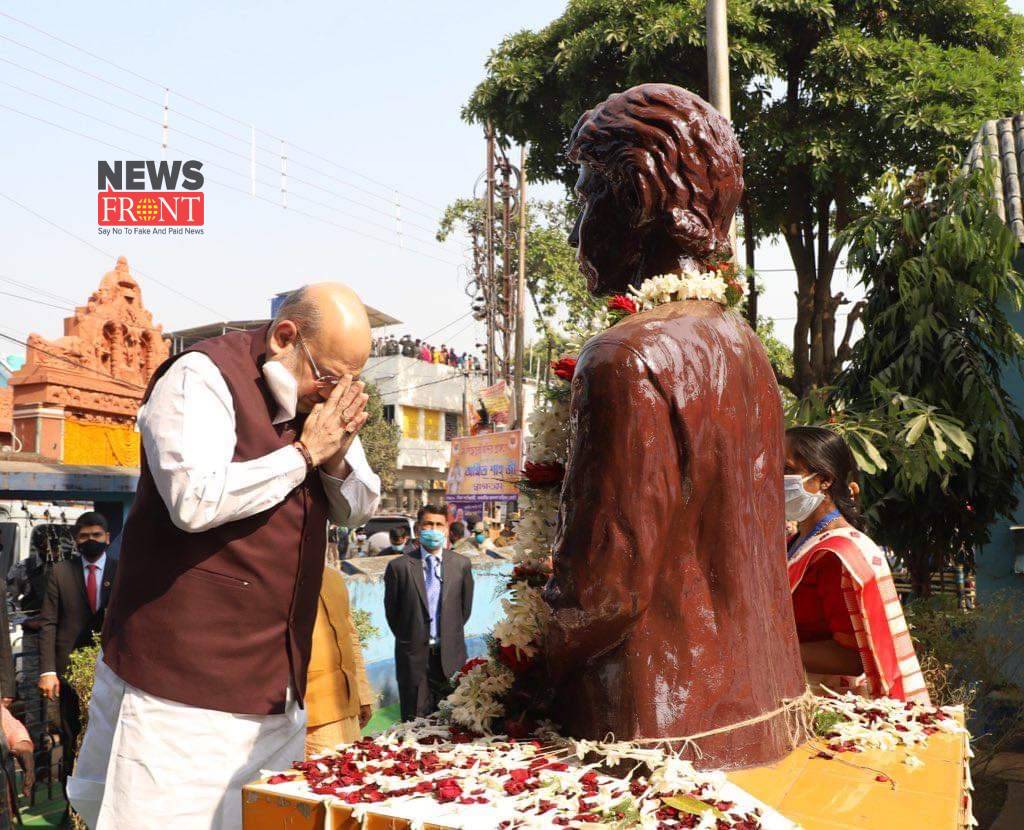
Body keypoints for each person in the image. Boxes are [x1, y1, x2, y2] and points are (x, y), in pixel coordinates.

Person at [69, 284, 381, 829]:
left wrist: (330, 458)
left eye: (352, 381)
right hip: (180, 690)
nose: (338, 393)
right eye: (330, 377)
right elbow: (195, 498)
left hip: (275, 687)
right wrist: (304, 454)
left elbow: (357, 507)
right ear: (286, 338)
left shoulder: (320, 406)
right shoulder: (202, 376)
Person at [785, 426, 930, 704]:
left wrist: (763, 651)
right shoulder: (796, 542)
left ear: (824, 479)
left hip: (830, 707)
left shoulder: (835, 555)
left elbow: (852, 657)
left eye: (786, 469)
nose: (775, 478)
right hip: (798, 697)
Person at [37, 512, 118, 782]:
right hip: (69, 671)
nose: (90, 541)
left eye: (96, 535)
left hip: (112, 670)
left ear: (107, 537)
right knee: (72, 736)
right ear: (75, 540)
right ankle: (72, 807)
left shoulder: (121, 571)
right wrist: (48, 671)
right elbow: (48, 623)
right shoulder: (60, 572)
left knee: (109, 736)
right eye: (84, 536)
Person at [383, 505, 473, 721]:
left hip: (451, 658)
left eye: (439, 524)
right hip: (413, 659)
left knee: (453, 721)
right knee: (415, 723)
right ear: (418, 528)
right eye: (428, 524)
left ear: (447, 529)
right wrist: (413, 638)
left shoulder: (461, 565)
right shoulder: (399, 567)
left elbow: (464, 610)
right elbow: (393, 615)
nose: (433, 529)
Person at [304, 566, 373, 757]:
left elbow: (351, 637)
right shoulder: (278, 580)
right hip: (314, 714)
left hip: (348, 705)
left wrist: (363, 696)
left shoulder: (333, 577)